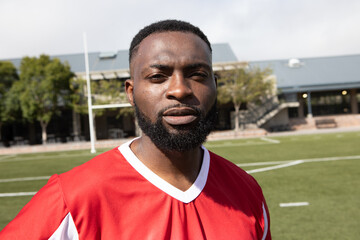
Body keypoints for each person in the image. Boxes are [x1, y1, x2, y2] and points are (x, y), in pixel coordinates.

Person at [0, 19, 271, 239]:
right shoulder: (74, 197)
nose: (179, 89)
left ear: (215, 85)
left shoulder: (247, 192)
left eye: (197, 75)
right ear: (131, 92)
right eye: (157, 77)